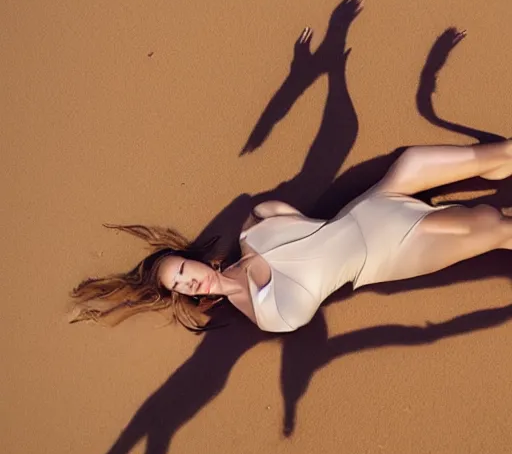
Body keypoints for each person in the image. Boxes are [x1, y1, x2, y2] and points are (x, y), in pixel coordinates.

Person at [71, 139, 512, 333]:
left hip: (373, 201)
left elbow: (279, 213)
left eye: (184, 269)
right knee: (494, 227)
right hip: (388, 252)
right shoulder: (267, 314)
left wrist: (267, 232)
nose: (190, 281)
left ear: (195, 258)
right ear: (184, 296)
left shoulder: (252, 231)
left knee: (480, 156)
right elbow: (301, 305)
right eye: (180, 285)